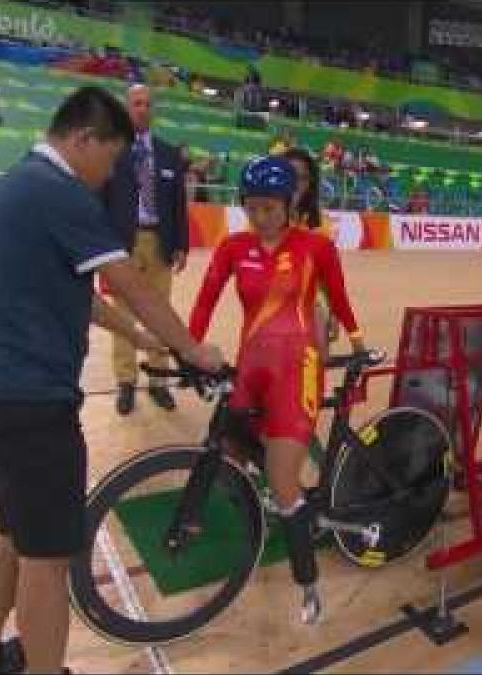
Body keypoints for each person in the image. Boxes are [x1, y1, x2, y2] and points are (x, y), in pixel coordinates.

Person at [0, 86, 224, 675]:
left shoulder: (17, 185)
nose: (110, 177)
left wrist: (150, 343)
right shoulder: (62, 194)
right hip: (32, 409)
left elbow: (90, 300)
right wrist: (193, 348)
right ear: (83, 139)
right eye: (110, 160)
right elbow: (128, 280)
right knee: (48, 562)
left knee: (13, 541)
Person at [188, 155, 365, 625]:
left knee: (283, 480)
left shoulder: (316, 246)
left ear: (290, 205)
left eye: (270, 208)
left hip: (298, 368)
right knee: (231, 453)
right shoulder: (233, 247)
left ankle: (308, 587)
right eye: (253, 207)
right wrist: (188, 347)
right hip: (252, 366)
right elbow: (205, 299)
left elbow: (340, 296)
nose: (261, 217)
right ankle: (268, 519)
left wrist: (358, 340)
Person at [99, 83, 190, 416]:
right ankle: (125, 382)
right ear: (127, 109)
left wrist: (182, 243)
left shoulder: (169, 155)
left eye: (148, 103)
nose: (142, 109)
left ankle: (159, 381)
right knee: (122, 312)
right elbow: (101, 199)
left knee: (161, 311)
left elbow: (179, 204)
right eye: (136, 103)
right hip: (122, 242)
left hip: (160, 241)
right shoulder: (112, 150)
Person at [281, 145, 339, 355]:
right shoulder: (261, 216)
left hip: (308, 307)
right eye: (290, 175)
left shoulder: (320, 223)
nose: (296, 183)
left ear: (310, 182)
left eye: (303, 178)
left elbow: (327, 275)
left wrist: (334, 312)